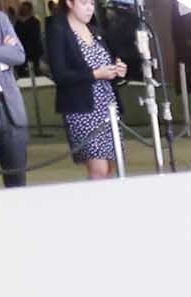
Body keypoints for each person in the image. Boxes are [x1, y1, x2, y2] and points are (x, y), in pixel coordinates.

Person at [41, 0, 121, 178]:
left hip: (107, 105)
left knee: (110, 168)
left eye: (92, 4)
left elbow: (108, 61)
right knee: (98, 169)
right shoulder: (58, 29)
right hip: (82, 109)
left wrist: (118, 69)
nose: (89, 8)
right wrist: (95, 74)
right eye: (84, 3)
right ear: (70, 3)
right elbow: (60, 74)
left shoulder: (95, 31)